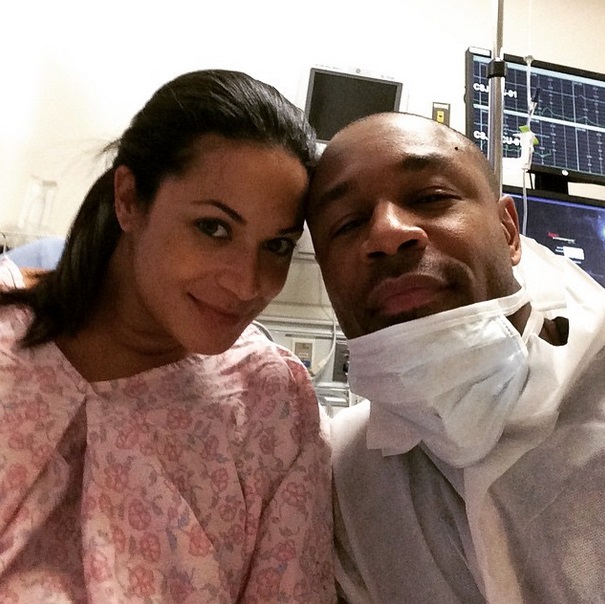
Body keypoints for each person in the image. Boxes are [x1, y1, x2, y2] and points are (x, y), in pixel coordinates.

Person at [0, 69, 335, 603]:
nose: (247, 283)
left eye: (276, 246)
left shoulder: (271, 405)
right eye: (214, 228)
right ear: (129, 199)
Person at [305, 111, 605, 603]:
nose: (387, 232)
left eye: (430, 198)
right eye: (347, 224)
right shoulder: (343, 477)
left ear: (508, 231)